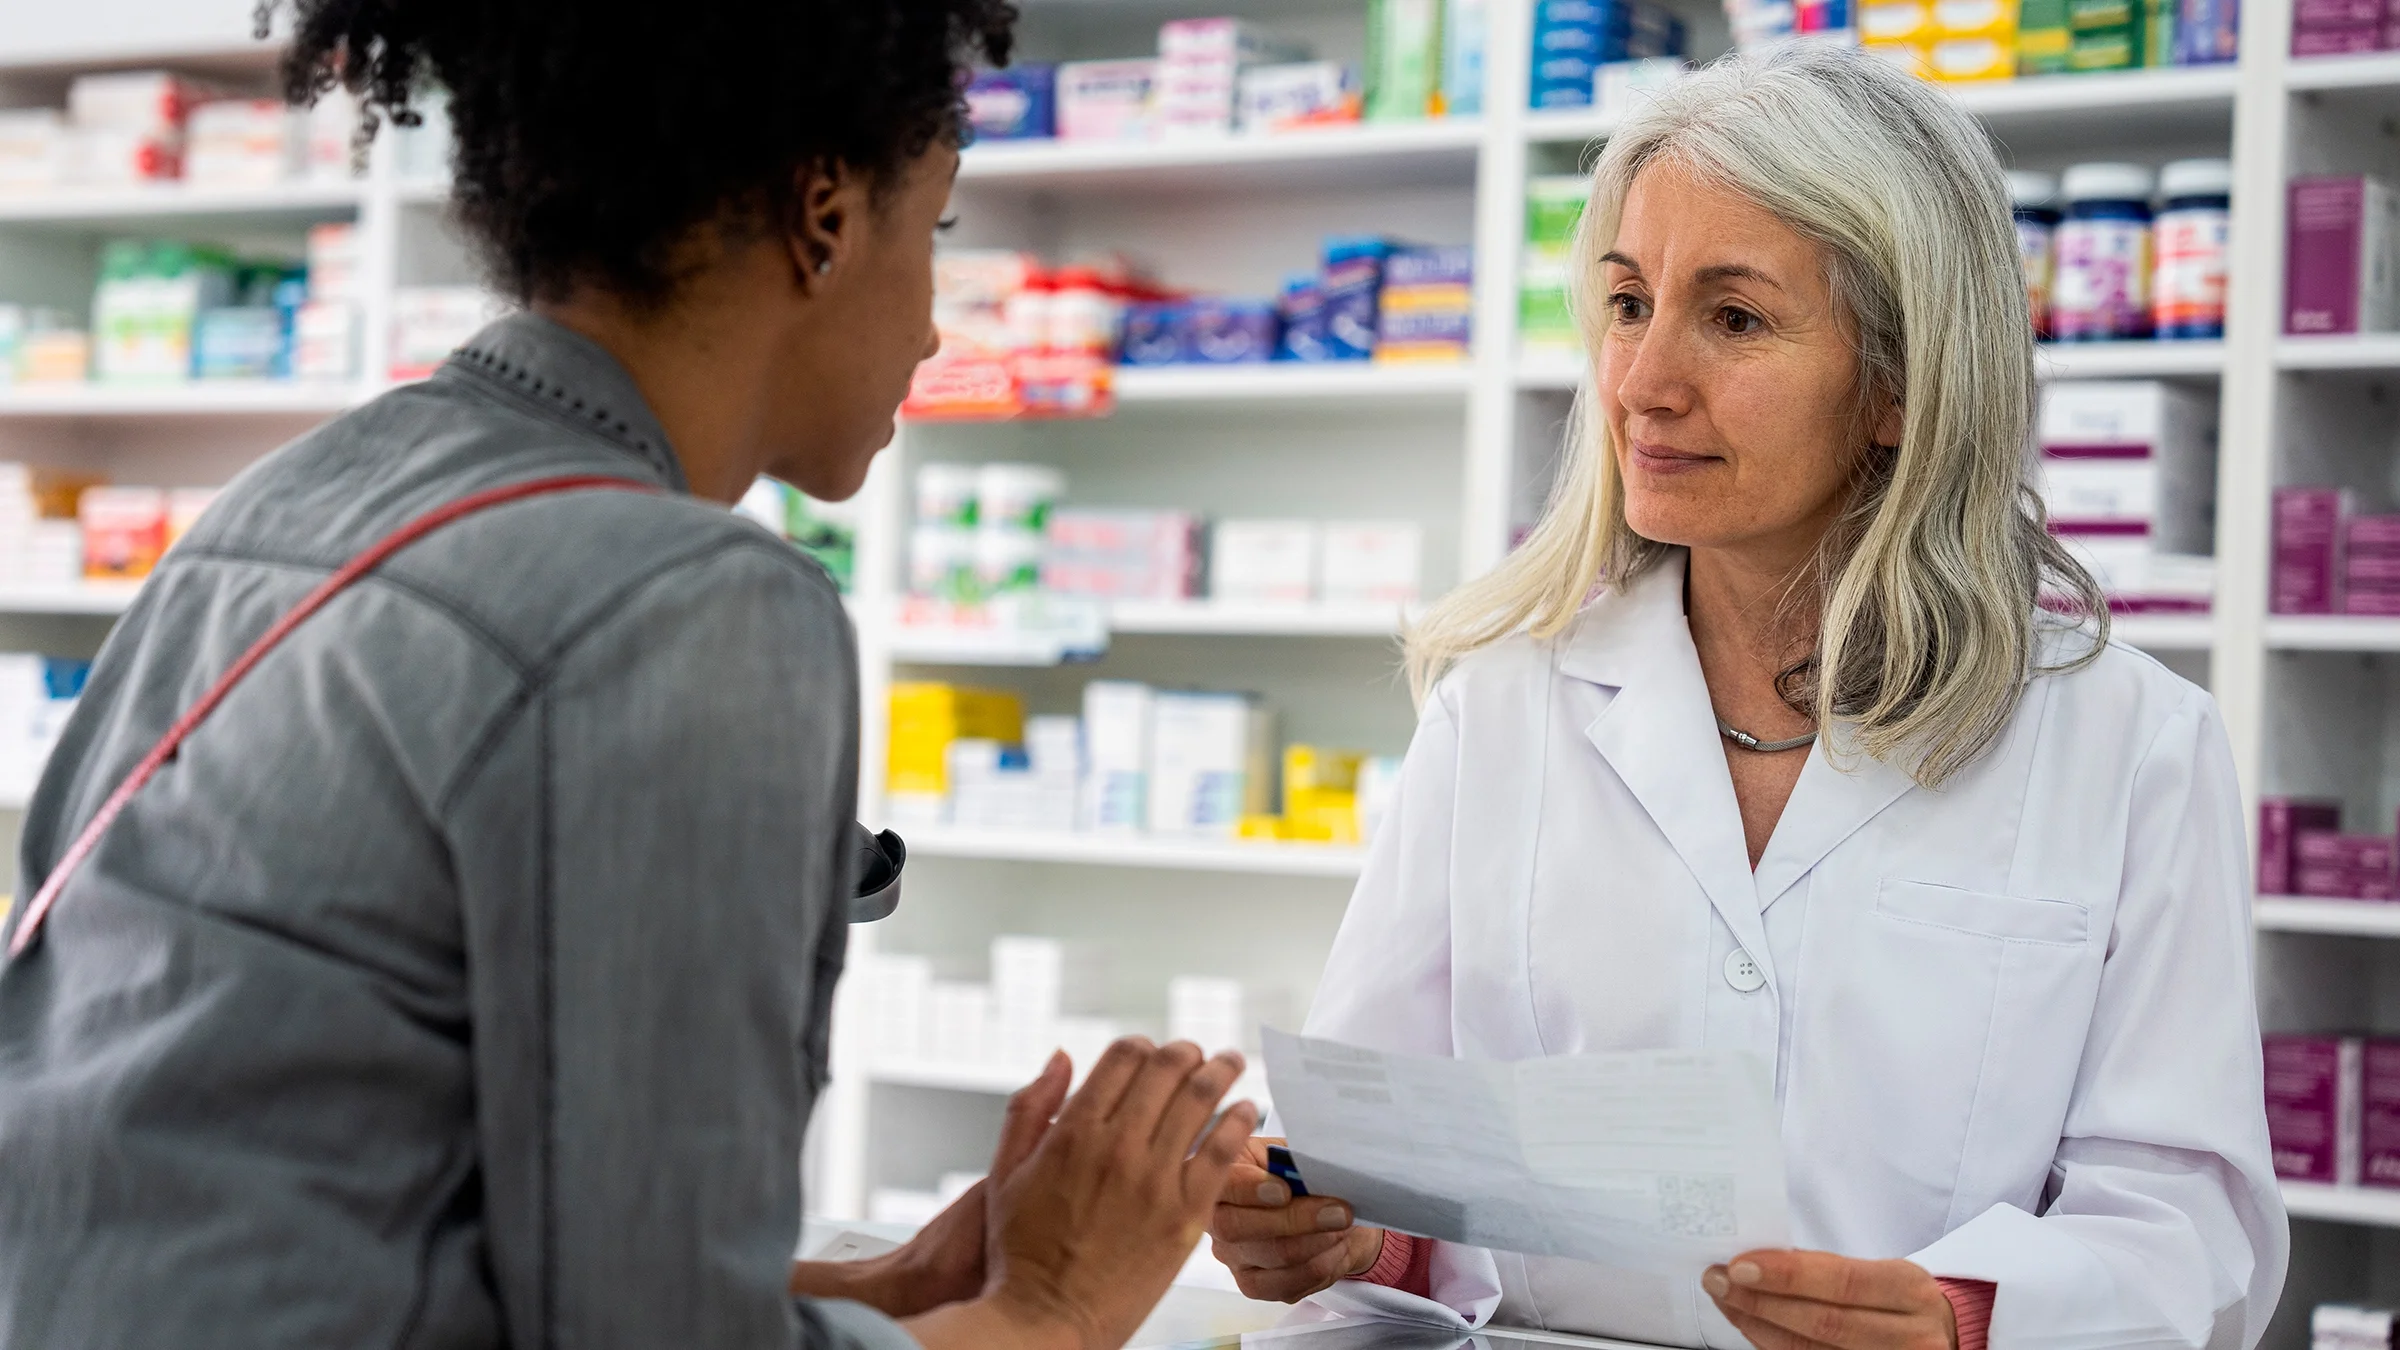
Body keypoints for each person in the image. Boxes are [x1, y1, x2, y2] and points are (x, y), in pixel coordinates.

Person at [0, 4, 1257, 1349]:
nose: (937, 327)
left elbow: (315, 1195)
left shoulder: (286, 503)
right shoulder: (684, 600)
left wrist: (879, 1299)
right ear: (822, 213)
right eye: (934, 234)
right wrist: (1056, 1307)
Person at [1207, 44, 2287, 1350]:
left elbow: (2189, 1226)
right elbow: (1388, 1176)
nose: (1642, 382)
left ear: (1900, 383)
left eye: (1733, 317)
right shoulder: (1500, 710)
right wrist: (1343, 1230)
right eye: (1626, 303)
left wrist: (1965, 1314)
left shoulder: (2128, 745)